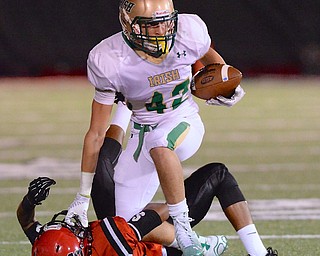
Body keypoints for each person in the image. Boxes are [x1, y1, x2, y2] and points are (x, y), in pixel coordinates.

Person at [65, 0, 245, 255]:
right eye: (153, 26)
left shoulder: (188, 30)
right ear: (130, 26)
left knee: (160, 142)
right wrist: (82, 198)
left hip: (182, 121)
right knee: (125, 221)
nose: (163, 31)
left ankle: (184, 230)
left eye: (166, 23)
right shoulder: (108, 59)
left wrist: (225, 81)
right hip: (142, 132)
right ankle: (202, 245)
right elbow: (96, 134)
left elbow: (207, 55)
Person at [17, 173, 230, 256]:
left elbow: (26, 222)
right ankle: (199, 245)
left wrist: (30, 201)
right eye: (70, 230)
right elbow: (154, 215)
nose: (70, 224)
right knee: (216, 174)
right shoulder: (108, 236)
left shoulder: (53, 250)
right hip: (166, 250)